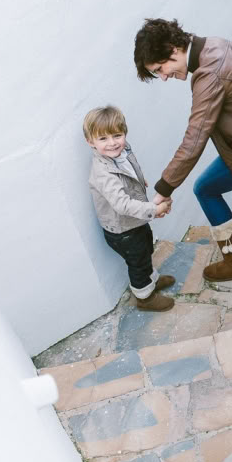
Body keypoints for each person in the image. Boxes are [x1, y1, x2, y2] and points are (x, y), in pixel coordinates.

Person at [133, 18, 232, 283]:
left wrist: (164, 188)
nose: (162, 77)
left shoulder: (208, 75)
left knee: (205, 189)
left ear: (173, 48)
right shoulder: (217, 44)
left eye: (161, 68)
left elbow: (195, 138)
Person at [84, 105, 176, 311]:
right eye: (103, 139)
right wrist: (154, 209)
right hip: (123, 230)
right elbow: (122, 204)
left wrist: (139, 182)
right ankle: (144, 297)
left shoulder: (123, 151)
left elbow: (131, 169)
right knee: (137, 262)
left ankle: (151, 280)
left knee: (146, 250)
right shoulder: (103, 172)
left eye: (117, 135)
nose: (112, 143)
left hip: (136, 221)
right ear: (90, 142)